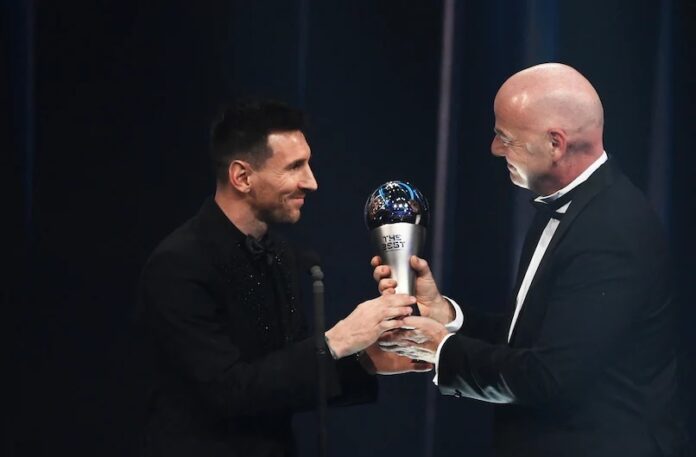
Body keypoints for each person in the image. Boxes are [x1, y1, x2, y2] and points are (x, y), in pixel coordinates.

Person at [374, 63, 689, 456]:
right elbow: (533, 341)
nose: (494, 148)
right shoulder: (569, 208)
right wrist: (446, 315)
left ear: (555, 143)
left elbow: (549, 378)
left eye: (505, 137)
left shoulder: (611, 229)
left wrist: (440, 348)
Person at [136, 100, 430, 457]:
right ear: (242, 177)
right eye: (294, 167)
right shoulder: (179, 264)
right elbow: (226, 391)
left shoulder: (281, 256)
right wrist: (337, 340)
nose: (311, 182)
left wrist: (368, 360)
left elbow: (286, 379)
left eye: (308, 164)